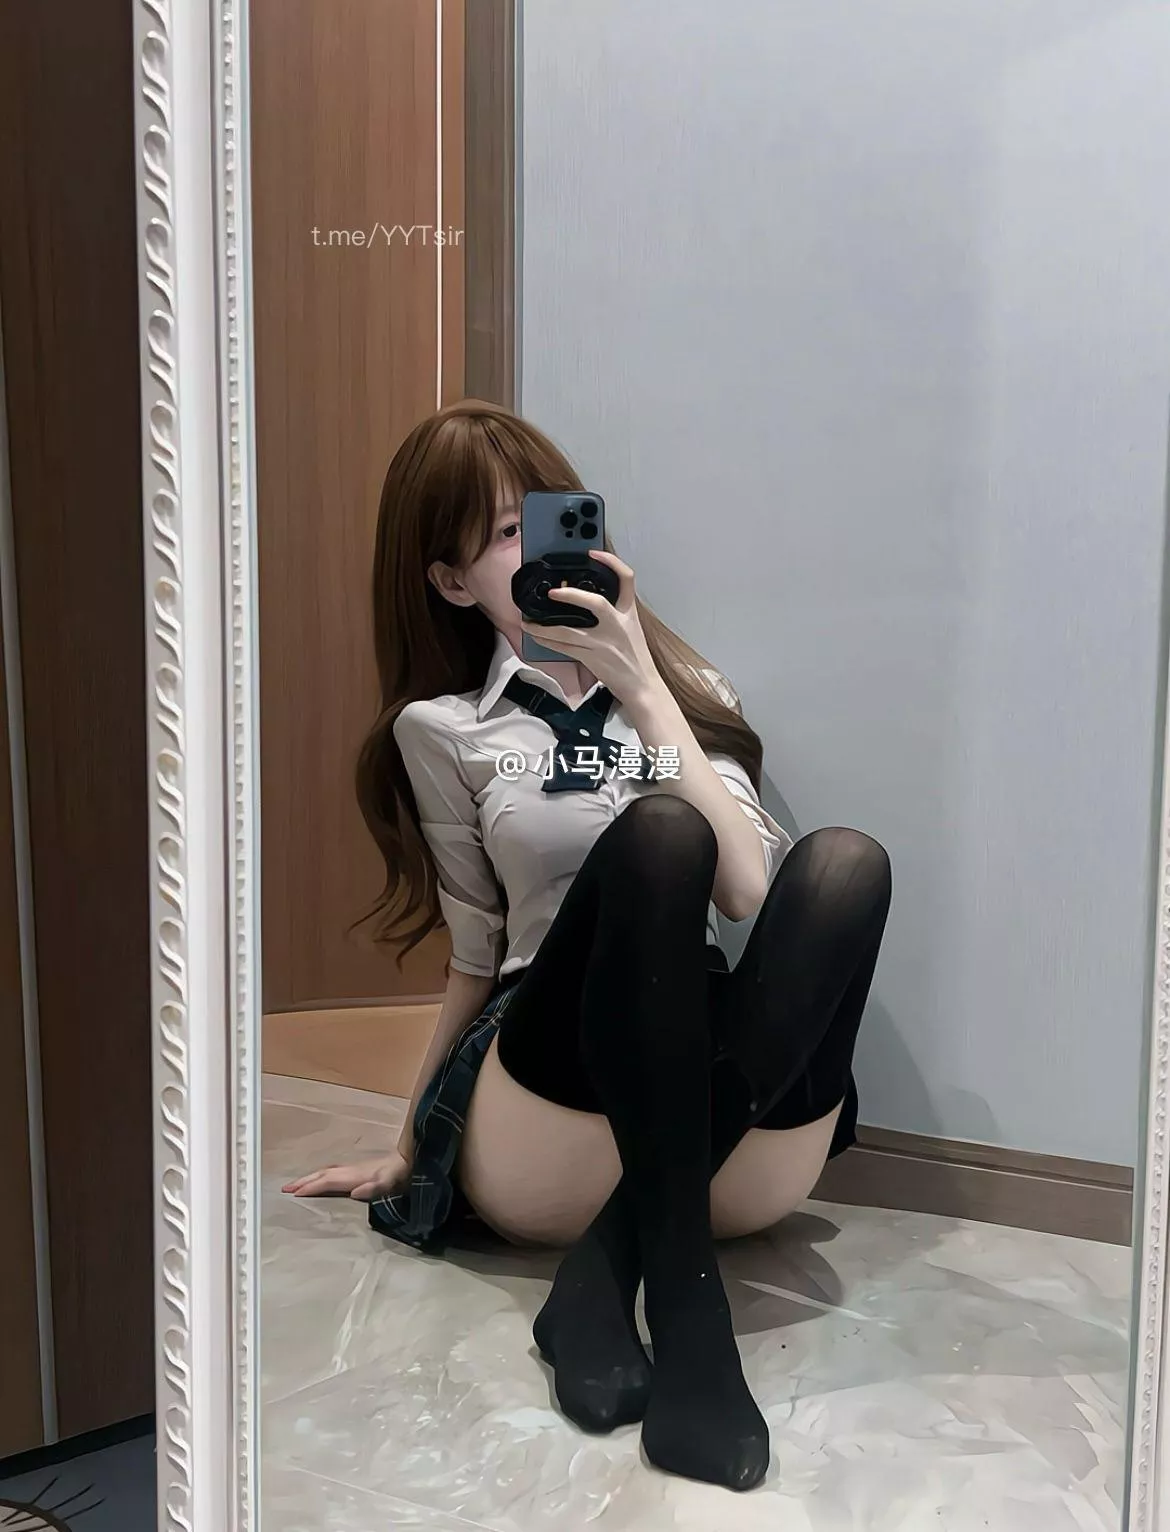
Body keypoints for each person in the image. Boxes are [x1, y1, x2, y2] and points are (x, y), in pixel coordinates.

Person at [283, 400, 892, 1493]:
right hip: (548, 1038)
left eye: (556, 520)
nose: (541, 550)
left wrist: (646, 688)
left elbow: (750, 895)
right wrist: (412, 1142)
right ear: (452, 582)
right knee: (657, 838)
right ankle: (690, 1313)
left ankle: (604, 1271)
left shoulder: (690, 698)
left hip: (693, 1023)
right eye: (505, 533)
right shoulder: (445, 731)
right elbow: (476, 953)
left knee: (848, 865)